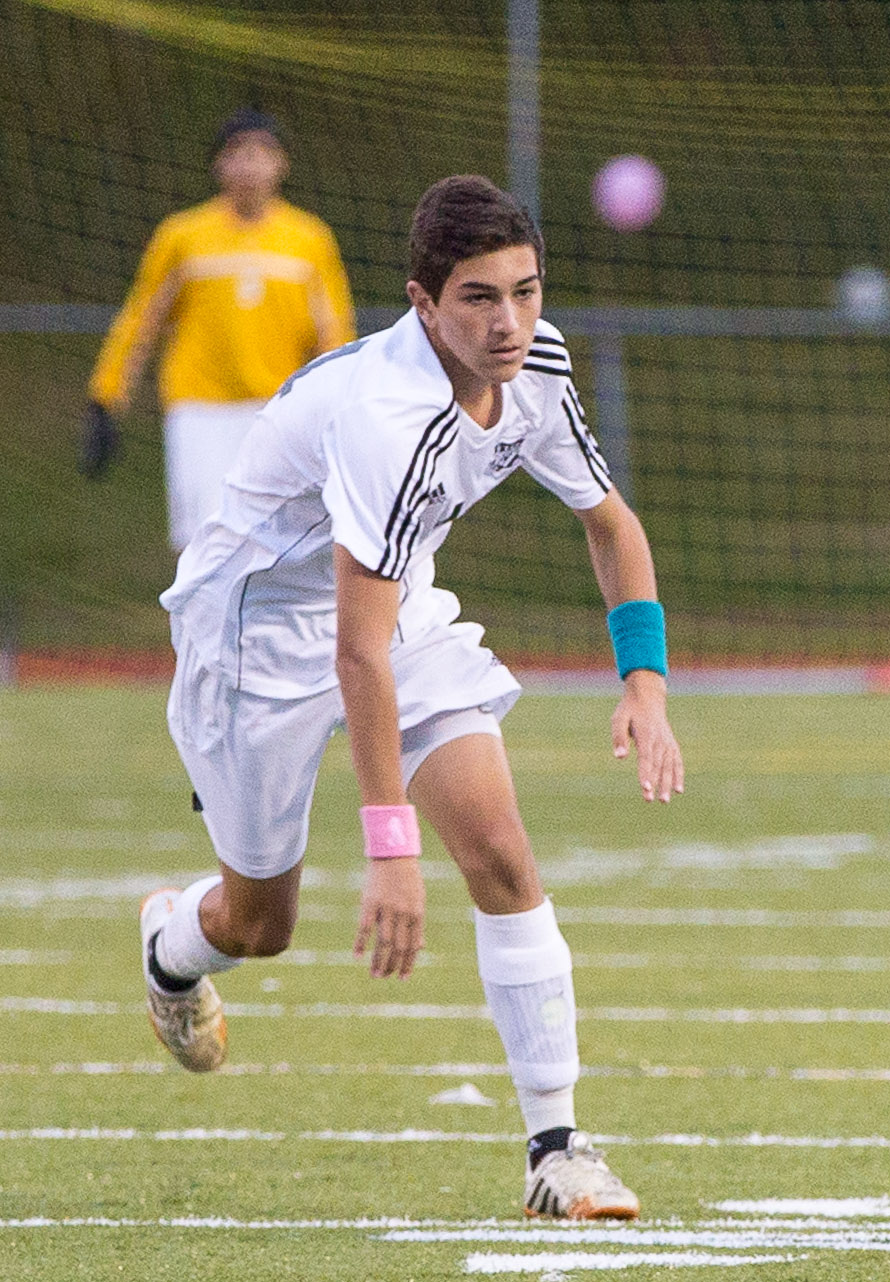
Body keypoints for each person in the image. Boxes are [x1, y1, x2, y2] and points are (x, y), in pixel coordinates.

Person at [141, 174, 685, 1221]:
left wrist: (645, 683)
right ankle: (170, 943)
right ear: (422, 303)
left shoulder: (538, 364)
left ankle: (559, 1147)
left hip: (397, 611)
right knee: (260, 925)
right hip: (253, 637)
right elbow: (355, 653)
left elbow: (610, 523)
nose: (510, 322)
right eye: (479, 298)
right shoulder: (386, 417)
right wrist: (391, 849)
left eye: (526, 291)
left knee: (501, 853)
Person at [85, 109, 354, 549]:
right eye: (238, 154)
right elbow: (140, 320)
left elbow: (333, 333)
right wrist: (106, 395)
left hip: (277, 411)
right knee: (204, 545)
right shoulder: (182, 235)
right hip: (199, 412)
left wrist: (340, 406)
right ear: (218, 164)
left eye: (262, 154)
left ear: (282, 164)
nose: (250, 166)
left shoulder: (310, 239)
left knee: (276, 545)